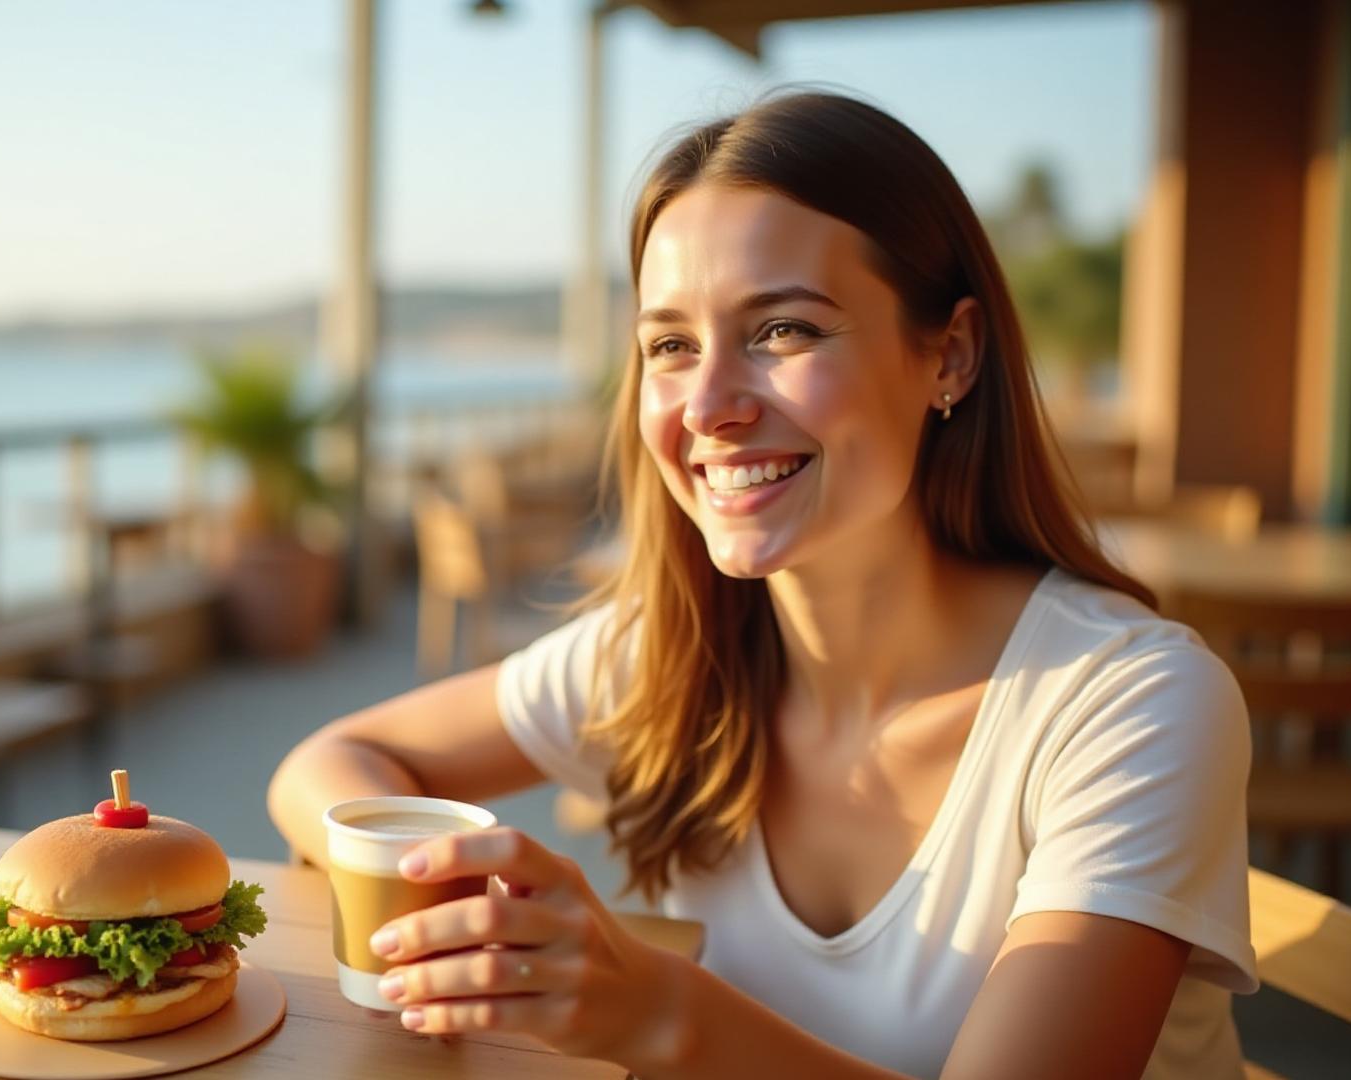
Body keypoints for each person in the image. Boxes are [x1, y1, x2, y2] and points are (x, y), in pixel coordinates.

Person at [268, 90, 1255, 1079]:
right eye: (670, 346)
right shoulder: (671, 650)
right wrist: (438, 892)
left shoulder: (1134, 707)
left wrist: (660, 1015)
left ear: (948, 355)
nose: (708, 406)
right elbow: (330, 761)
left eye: (783, 330)